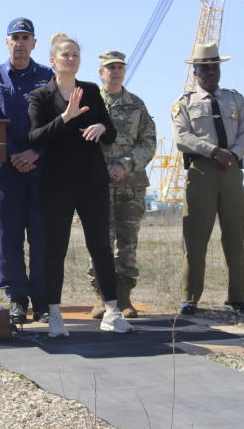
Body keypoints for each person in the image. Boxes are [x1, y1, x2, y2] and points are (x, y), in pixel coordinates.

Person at [28, 33, 132, 336]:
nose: (71, 59)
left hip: (91, 181)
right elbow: (34, 137)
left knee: (100, 245)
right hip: (56, 183)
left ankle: (113, 311)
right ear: (52, 61)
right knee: (55, 248)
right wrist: (65, 116)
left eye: (75, 55)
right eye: (65, 55)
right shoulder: (40, 96)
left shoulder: (89, 90)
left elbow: (110, 131)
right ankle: (55, 314)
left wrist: (102, 125)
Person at [172, 42, 244, 318]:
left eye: (214, 68)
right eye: (204, 69)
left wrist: (233, 153)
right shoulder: (184, 103)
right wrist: (212, 151)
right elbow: (181, 137)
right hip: (202, 173)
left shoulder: (236, 99)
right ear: (195, 71)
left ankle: (237, 298)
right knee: (195, 239)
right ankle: (191, 298)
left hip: (231, 172)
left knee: (235, 237)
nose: (210, 73)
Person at [0, 18, 53, 324]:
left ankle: (41, 299)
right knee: (7, 238)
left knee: (42, 237)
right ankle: (17, 300)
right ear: (6, 42)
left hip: (41, 170)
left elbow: (56, 120)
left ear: (34, 43)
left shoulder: (48, 76)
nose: (20, 42)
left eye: (26, 37)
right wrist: (14, 155)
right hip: (5, 172)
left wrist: (34, 153)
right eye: (15, 37)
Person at [88, 50, 156, 320]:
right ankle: (100, 296)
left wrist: (124, 165)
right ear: (100, 72)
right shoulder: (90, 103)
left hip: (131, 184)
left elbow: (149, 141)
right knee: (99, 240)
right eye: (109, 67)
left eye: (119, 67)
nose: (115, 71)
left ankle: (125, 297)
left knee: (127, 242)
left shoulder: (136, 105)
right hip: (96, 184)